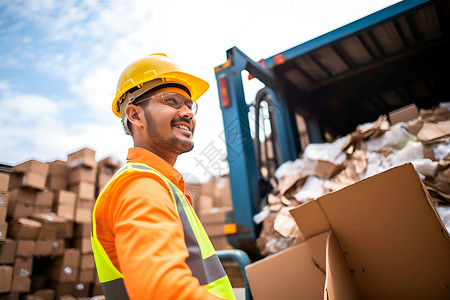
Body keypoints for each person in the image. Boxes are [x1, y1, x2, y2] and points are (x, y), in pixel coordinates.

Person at [91, 53, 235, 300]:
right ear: (135, 115)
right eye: (172, 101)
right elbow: (163, 292)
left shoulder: (160, 183)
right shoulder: (140, 186)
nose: (188, 113)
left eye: (190, 105)